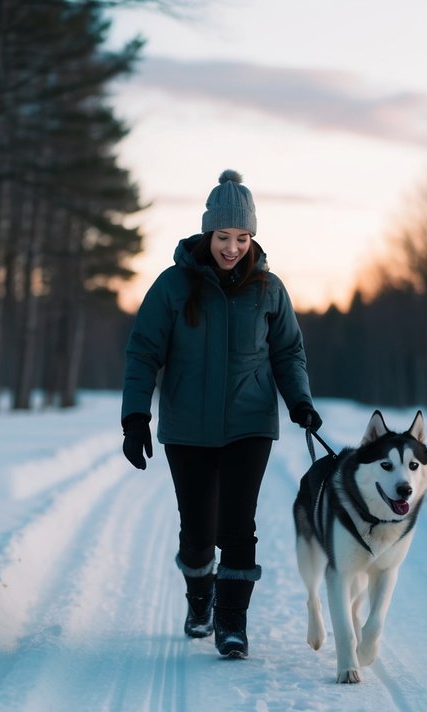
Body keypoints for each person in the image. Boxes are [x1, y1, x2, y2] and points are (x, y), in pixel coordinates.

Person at [120, 169, 322, 659]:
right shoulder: (172, 285)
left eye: (243, 237)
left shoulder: (268, 289)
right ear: (208, 232)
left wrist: (299, 401)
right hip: (187, 426)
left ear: (253, 237)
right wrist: (134, 417)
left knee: (238, 527)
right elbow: (144, 351)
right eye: (224, 236)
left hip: (249, 423)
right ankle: (200, 599)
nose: (232, 247)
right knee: (197, 532)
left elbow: (288, 352)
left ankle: (232, 624)